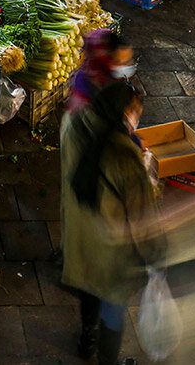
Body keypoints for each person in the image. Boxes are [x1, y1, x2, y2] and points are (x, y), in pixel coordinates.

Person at [61, 81, 165, 365]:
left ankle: (87, 338)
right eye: (134, 113)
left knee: (88, 290)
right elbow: (142, 217)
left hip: (79, 237)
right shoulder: (123, 155)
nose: (135, 120)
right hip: (110, 252)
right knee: (112, 309)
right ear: (122, 112)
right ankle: (107, 359)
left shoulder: (73, 125)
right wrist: (157, 255)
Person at [67, 30, 135, 114]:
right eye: (120, 62)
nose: (125, 66)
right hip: (85, 92)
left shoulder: (115, 53)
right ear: (110, 54)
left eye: (128, 60)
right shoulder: (98, 59)